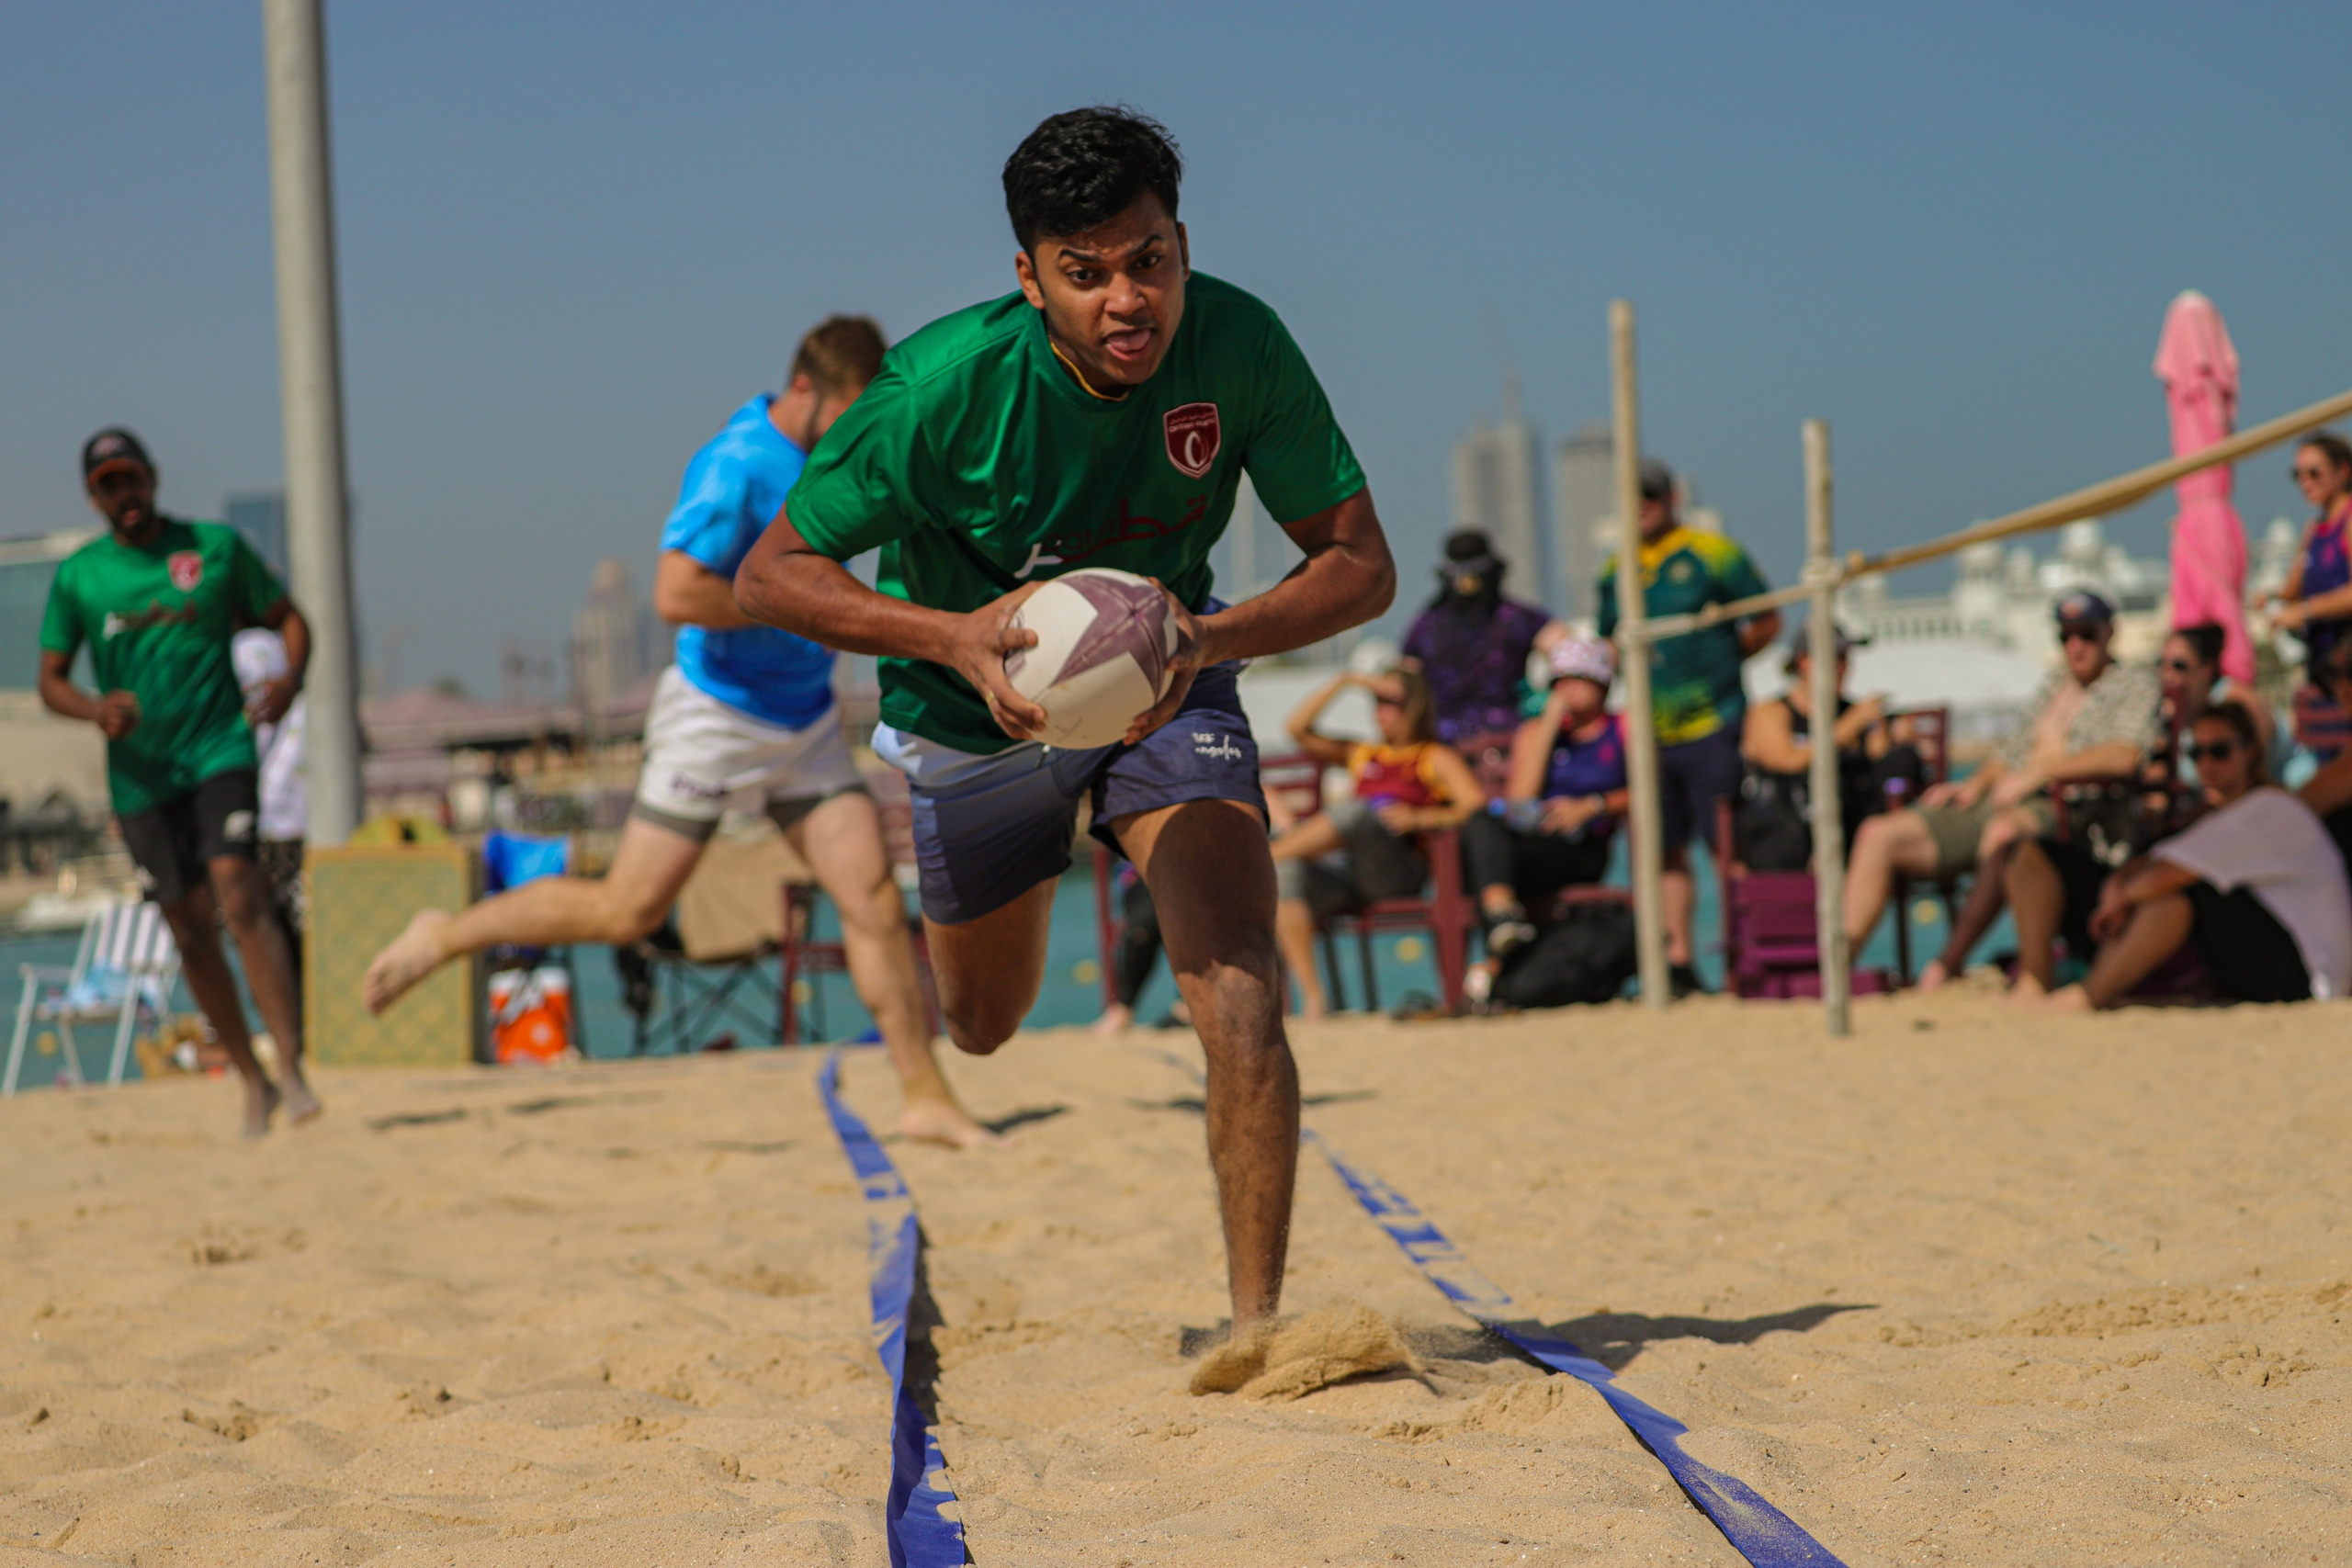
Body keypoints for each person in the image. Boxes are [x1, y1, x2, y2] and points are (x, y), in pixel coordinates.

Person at [732, 107, 1395, 1344]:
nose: (1126, 299)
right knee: (983, 1023)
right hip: (970, 714)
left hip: (1167, 685)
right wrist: (952, 636)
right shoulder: (938, 389)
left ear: (1182, 246)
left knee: (1239, 984)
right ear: (1030, 278)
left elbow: (1360, 565)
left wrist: (1207, 641)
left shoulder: (1241, 345)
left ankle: (1256, 1330)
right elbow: (770, 576)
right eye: (1085, 273)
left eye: (1149, 260)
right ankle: (1009, 891)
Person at [362, 319, 992, 1149]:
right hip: (715, 717)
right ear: (806, 388)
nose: (856, 429)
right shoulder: (738, 463)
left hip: (802, 720)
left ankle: (923, 1093)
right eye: (850, 410)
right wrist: (788, 599)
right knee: (628, 909)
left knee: (872, 898)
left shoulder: (829, 456)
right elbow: (675, 593)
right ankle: (445, 934)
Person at [37, 429, 320, 1136]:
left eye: (131, 478)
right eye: (108, 484)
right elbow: (50, 680)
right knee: (188, 929)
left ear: (154, 478)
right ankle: (251, 1079)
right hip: (140, 777)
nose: (124, 494)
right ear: (93, 497)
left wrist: (290, 680)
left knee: (240, 891)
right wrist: (95, 709)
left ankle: (290, 1065)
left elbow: (289, 619)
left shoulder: (215, 549)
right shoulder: (79, 577)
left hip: (219, 747)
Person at [1844, 591, 2161, 987]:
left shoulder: (2132, 684)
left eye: (2087, 634)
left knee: (2003, 834)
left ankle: (1946, 965)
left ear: (2109, 633)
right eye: (2066, 636)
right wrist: (1971, 785)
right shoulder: (2054, 686)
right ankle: (1838, 968)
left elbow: (2125, 755)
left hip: (2070, 810)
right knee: (1878, 833)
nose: (2076, 646)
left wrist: (2042, 772)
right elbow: (2009, 752)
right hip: (2006, 799)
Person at [2008, 700, 2351, 1010]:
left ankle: (2089, 995)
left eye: (2219, 751)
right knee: (2035, 854)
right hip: (2270, 957)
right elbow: (2155, 862)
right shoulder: (2216, 815)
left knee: (2173, 897)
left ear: (2251, 752)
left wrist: (2120, 895)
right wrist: (2118, 883)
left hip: (2306, 976)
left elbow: (2160, 877)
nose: (2207, 763)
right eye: (2196, 753)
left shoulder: (2269, 808)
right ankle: (2036, 981)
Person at [1597, 458, 1780, 997]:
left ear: (1671, 499)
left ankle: (1748, 950)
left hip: (1712, 723)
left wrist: (1722, 662)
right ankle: (1679, 960)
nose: (1641, 507)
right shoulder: (1616, 568)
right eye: (1632, 498)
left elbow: (1766, 619)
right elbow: (1609, 640)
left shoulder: (1714, 553)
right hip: (1651, 731)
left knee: (1726, 842)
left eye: (1650, 496)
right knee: (1663, 848)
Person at [1268, 669, 1483, 1020]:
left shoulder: (1434, 757)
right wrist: (1346, 680)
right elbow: (1296, 729)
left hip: (1398, 872)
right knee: (1284, 873)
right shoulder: (1364, 754)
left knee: (1359, 812)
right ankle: (1313, 998)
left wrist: (1421, 818)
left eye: (1392, 703)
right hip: (1350, 874)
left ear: (1416, 707)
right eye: (1377, 702)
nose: (1382, 712)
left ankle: (1261, 858)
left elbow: (1475, 808)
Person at [1462, 634, 1627, 954]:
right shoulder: (1536, 731)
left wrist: (1592, 806)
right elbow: (1519, 800)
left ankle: (1497, 947)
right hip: (1538, 838)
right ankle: (1501, 916)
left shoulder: (1621, 727)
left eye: (1578, 678)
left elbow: (1649, 791)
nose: (1568, 688)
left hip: (1583, 845)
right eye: (1560, 681)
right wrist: (1549, 725)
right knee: (1482, 821)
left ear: (1602, 683)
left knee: (1488, 854)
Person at [1736, 625, 1923, 873]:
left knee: (1900, 762)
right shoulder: (1770, 713)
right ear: (1804, 662)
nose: (1843, 667)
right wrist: (1850, 726)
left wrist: (1891, 738)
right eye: (1836, 659)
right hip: (1785, 833)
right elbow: (1787, 761)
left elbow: (1880, 769)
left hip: (1851, 829)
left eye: (1846, 659)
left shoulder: (1857, 714)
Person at [1399, 528, 1565, 749]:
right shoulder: (1426, 626)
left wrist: (1546, 705)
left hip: (1509, 745)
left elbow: (1570, 653)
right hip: (1445, 749)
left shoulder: (1517, 618)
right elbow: (1406, 682)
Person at [232, 626, 309, 990]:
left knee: (264, 932)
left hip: (269, 815)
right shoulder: (286, 653)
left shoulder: (246, 649)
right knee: (295, 932)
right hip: (298, 814)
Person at [2258, 431, 2352, 705]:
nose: (2305, 482)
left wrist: (2304, 611)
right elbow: (2291, 591)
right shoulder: (2314, 530)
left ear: (2342, 471)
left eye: (2314, 472)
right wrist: (2271, 599)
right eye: (2297, 475)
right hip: (2324, 670)